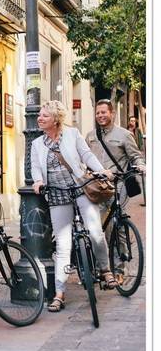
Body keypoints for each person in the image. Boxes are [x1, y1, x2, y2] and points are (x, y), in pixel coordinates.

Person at [31, 100, 117, 313]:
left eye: (44, 116)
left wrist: (100, 171)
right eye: (39, 115)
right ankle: (59, 294)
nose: (39, 118)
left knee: (96, 231)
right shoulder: (37, 144)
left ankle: (105, 270)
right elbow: (35, 167)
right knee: (62, 245)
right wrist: (38, 181)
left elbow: (86, 155)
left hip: (81, 187)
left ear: (56, 119)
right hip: (57, 194)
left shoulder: (72, 134)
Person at [86, 99, 146, 283]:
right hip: (95, 186)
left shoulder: (124, 135)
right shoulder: (90, 136)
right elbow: (85, 157)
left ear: (112, 113)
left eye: (104, 112)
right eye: (98, 113)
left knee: (116, 222)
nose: (101, 116)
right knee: (97, 226)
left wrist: (141, 166)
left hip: (118, 184)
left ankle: (119, 267)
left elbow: (135, 156)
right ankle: (99, 266)